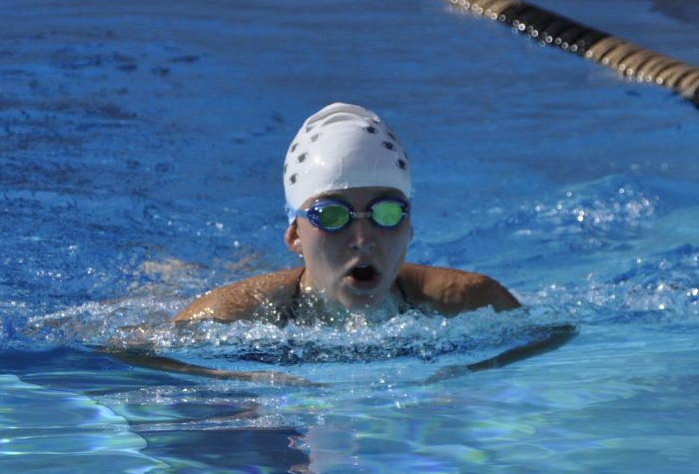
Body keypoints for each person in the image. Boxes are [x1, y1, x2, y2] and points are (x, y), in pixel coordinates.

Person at [172, 103, 520, 326]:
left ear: (410, 228)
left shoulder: (475, 303)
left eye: (386, 213)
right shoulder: (221, 319)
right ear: (294, 235)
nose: (363, 240)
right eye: (332, 216)